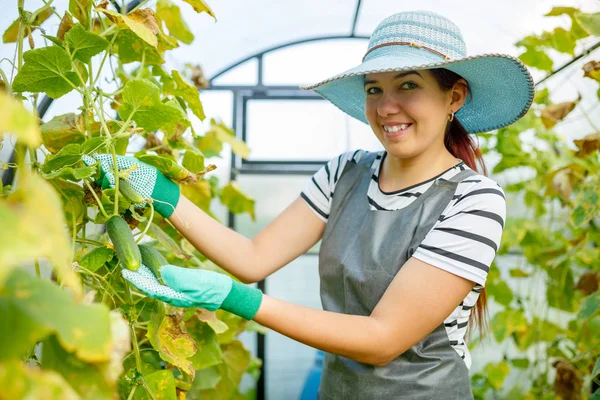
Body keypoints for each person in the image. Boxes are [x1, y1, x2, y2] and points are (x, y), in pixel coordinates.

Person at [85, 10, 534, 399]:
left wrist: (234, 299)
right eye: (374, 89)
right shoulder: (346, 172)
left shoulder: (473, 198)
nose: (385, 107)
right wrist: (164, 195)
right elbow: (253, 258)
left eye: (408, 85)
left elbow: (383, 339)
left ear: (453, 96)